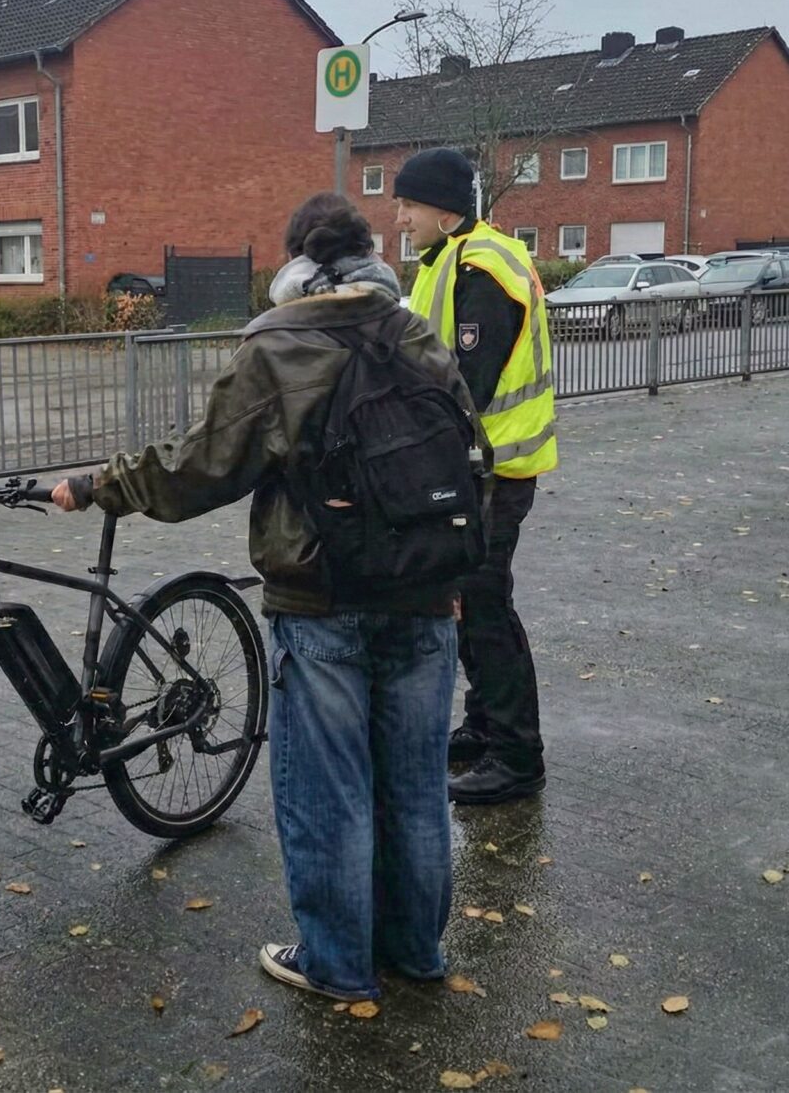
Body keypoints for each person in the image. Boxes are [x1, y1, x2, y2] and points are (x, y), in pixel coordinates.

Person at [52, 193, 483, 1003]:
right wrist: (453, 580)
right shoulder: (415, 333)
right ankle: (416, 952)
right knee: (416, 786)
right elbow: (468, 459)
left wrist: (101, 485)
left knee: (331, 793)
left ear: (296, 268)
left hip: (320, 598)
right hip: (426, 594)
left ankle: (338, 965)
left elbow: (200, 466)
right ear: (372, 260)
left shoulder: (280, 344)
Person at [393, 148, 558, 805]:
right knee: (470, 602)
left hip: (492, 470)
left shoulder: (481, 267)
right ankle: (487, 725)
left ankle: (518, 754)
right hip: (483, 467)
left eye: (408, 204)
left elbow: (467, 385)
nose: (399, 216)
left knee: (484, 604)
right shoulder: (457, 257)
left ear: (444, 208)